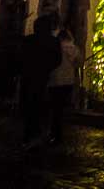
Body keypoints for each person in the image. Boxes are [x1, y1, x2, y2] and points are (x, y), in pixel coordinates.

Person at [19, 15, 61, 147]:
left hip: (28, 76)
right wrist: (46, 68)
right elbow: (57, 60)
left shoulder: (28, 40)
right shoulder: (53, 41)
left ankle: (29, 133)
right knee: (39, 104)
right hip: (42, 77)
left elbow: (20, 57)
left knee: (29, 104)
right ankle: (37, 133)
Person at [46, 27, 79, 144]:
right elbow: (77, 63)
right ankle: (58, 133)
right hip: (68, 81)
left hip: (55, 80)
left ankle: (53, 132)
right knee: (60, 109)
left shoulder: (56, 47)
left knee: (54, 108)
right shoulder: (74, 49)